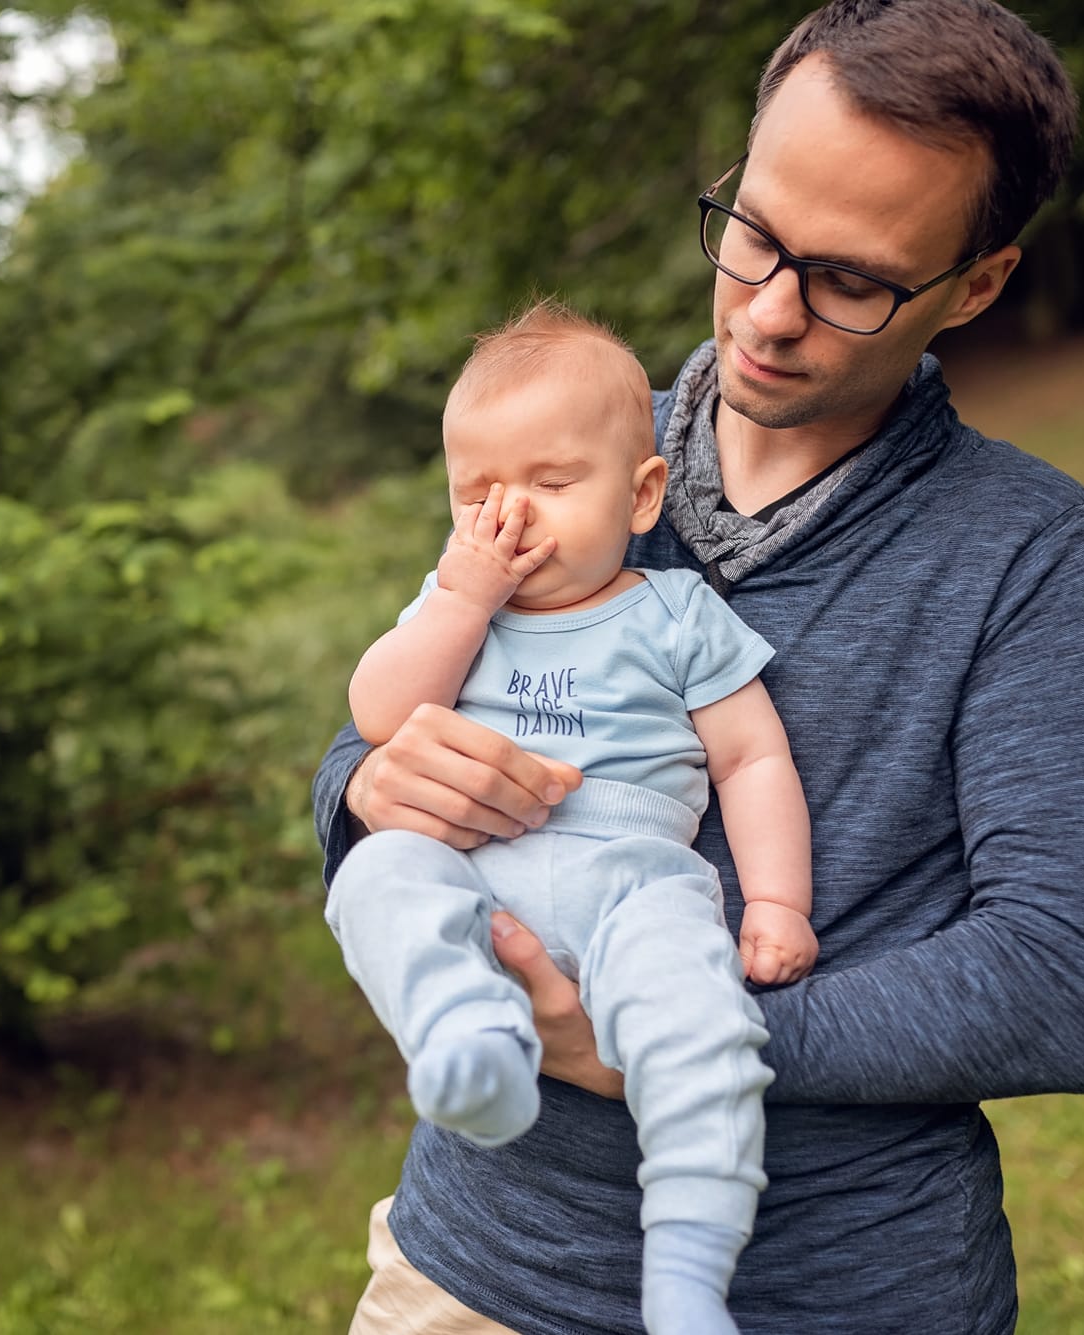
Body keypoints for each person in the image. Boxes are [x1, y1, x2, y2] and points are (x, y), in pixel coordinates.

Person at [311, 1, 1084, 1331]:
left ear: (979, 284)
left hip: (837, 1290)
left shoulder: (1027, 554)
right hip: (477, 1268)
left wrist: (665, 1035)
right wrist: (368, 787)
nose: (770, 311)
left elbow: (1074, 980)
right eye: (756, 232)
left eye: (853, 278)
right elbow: (386, 716)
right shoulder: (567, 445)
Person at [328, 302, 816, 1334]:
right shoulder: (458, 606)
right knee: (375, 878)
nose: (511, 519)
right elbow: (376, 714)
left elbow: (750, 756)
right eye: (477, 496)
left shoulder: (676, 613)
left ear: (642, 495)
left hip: (635, 883)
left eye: (549, 485)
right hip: (473, 876)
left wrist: (773, 900)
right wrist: (459, 596)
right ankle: (467, 1039)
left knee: (698, 1027)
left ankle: (688, 1259)